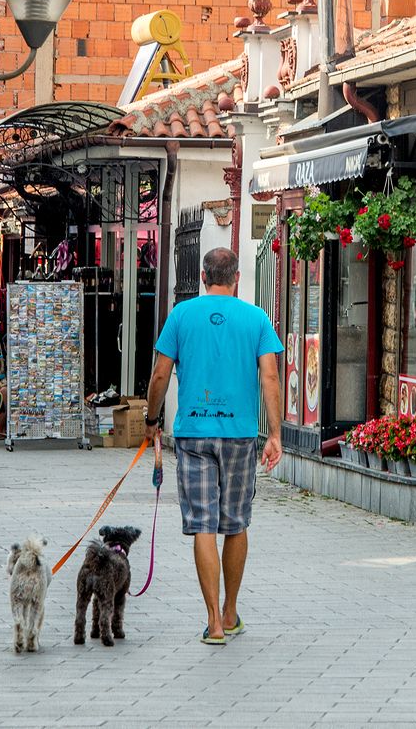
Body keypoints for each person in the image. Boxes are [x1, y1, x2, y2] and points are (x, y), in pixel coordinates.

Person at [143, 246, 282, 647]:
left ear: (203, 278)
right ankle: (231, 610)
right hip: (239, 434)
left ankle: (213, 623)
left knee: (203, 523)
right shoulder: (255, 318)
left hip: (193, 434)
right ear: (237, 278)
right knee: (235, 523)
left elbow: (159, 375)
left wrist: (152, 421)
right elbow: (270, 377)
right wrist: (275, 434)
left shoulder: (182, 316)